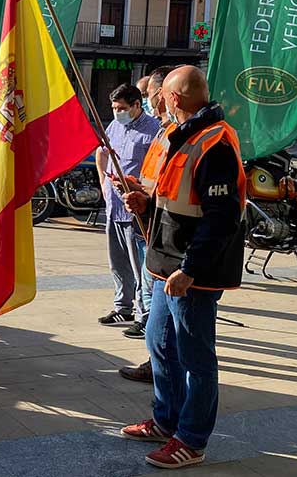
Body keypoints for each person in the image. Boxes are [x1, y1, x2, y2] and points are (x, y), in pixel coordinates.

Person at [119, 65, 245, 470]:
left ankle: (191, 439)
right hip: (163, 264)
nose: (158, 104)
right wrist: (145, 201)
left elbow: (221, 217)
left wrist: (190, 269)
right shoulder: (181, 133)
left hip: (191, 272)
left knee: (195, 358)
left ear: (173, 98)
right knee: (159, 342)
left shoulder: (215, 143)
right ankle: (165, 419)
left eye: (161, 97)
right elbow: (174, 196)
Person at [119, 65, 174, 384]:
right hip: (150, 228)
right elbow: (157, 184)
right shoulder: (166, 133)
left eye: (152, 97)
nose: (153, 104)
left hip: (168, 244)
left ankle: (162, 370)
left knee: (161, 317)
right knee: (156, 312)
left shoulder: (180, 135)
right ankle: (158, 364)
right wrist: (138, 190)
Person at [95, 84, 161, 338]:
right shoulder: (115, 126)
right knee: (118, 263)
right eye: (114, 108)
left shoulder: (153, 130)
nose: (117, 112)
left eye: (122, 108)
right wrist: (103, 180)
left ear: (137, 105)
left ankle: (146, 316)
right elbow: (101, 152)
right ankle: (122, 306)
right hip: (114, 207)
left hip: (137, 210)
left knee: (141, 267)